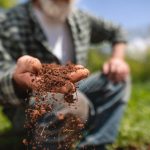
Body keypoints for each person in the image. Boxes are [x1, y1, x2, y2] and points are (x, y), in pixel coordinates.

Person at [0, 0, 131, 149]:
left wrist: (117, 59)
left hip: (75, 88)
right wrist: (16, 79)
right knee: (73, 102)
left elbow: (117, 30)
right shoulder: (10, 21)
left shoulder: (79, 17)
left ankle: (94, 144)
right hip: (28, 104)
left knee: (117, 78)